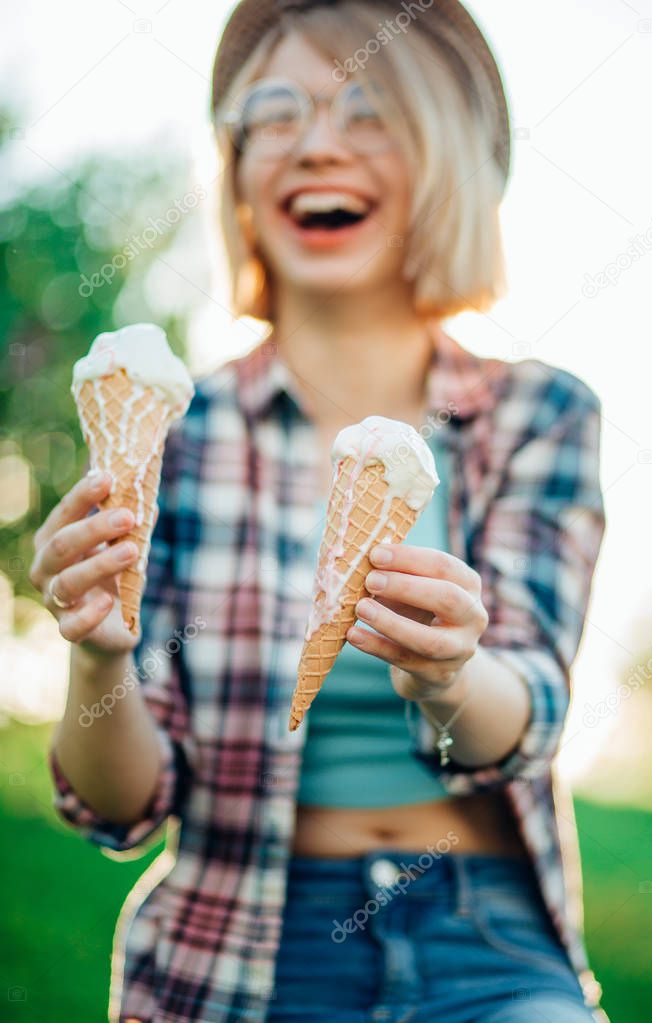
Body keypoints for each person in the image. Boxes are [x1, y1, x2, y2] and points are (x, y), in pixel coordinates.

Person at [31, 2, 610, 1021]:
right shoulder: (178, 426)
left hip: (486, 939)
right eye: (276, 111)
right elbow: (120, 807)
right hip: (236, 933)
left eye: (371, 110)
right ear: (238, 165)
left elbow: (525, 717)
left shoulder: (537, 413)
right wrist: (95, 657)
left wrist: (449, 671)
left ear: (447, 156)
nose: (317, 145)